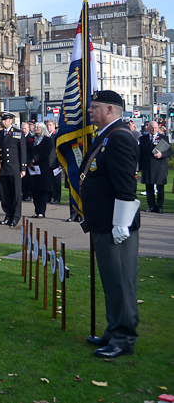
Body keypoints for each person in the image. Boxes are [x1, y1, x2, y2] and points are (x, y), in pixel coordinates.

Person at [80, 90, 141, 359]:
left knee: (120, 281)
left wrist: (121, 223)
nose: (90, 111)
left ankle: (124, 337)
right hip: (104, 221)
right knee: (110, 280)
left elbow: (126, 185)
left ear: (110, 110)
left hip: (116, 225)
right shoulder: (106, 135)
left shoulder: (119, 138)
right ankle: (114, 328)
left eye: (94, 107)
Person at [0, 112, 26, 227]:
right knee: (5, 194)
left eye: (5, 120)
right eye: (2, 120)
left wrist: (23, 168)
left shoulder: (18, 133)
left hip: (14, 168)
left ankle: (16, 216)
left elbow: (22, 151)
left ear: (11, 121)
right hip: (3, 169)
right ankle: (8, 214)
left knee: (16, 194)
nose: (3, 122)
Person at [138, 119, 173, 213]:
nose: (153, 129)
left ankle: (160, 206)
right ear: (148, 128)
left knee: (160, 188)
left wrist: (162, 155)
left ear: (158, 128)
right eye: (152, 127)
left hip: (159, 166)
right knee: (149, 188)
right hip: (147, 167)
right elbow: (140, 154)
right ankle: (151, 206)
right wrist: (140, 167)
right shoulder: (143, 138)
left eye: (155, 128)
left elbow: (170, 152)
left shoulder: (163, 138)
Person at [27, 122, 55, 219]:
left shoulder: (47, 140)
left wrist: (36, 159)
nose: (36, 129)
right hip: (32, 168)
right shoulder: (31, 140)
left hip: (43, 167)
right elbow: (27, 151)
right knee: (34, 190)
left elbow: (46, 152)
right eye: (35, 127)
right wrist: (29, 160)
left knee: (42, 190)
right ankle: (36, 210)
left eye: (38, 127)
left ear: (42, 129)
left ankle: (42, 211)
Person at [45, 119, 62, 204]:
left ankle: (56, 197)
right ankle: (49, 197)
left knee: (56, 182)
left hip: (55, 161)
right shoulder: (47, 136)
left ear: (54, 126)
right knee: (48, 181)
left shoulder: (57, 135)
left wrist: (60, 163)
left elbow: (59, 149)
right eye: (47, 125)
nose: (48, 127)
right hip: (47, 162)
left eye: (50, 125)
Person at [21, 122, 33, 202]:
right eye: (22, 128)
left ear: (28, 129)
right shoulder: (20, 137)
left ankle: (28, 194)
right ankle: (24, 194)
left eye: (25, 128)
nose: (23, 130)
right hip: (22, 161)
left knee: (28, 180)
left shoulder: (30, 138)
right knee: (23, 180)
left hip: (28, 160)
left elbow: (31, 150)